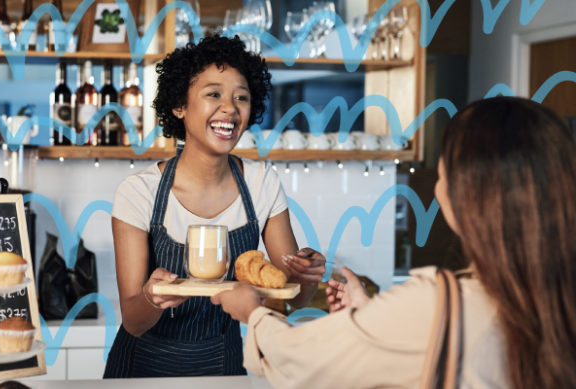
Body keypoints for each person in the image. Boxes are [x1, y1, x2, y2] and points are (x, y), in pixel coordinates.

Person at [212, 97, 576, 388]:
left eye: (445, 167)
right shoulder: (555, 298)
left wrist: (253, 313)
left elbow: (302, 360)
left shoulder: (437, 302)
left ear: (469, 194)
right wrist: (371, 316)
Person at [104, 35, 326, 378]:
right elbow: (133, 321)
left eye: (241, 97)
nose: (230, 108)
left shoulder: (261, 182)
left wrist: (307, 276)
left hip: (222, 366)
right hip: (142, 370)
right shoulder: (139, 193)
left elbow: (292, 297)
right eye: (213, 94)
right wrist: (152, 297)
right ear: (179, 105)